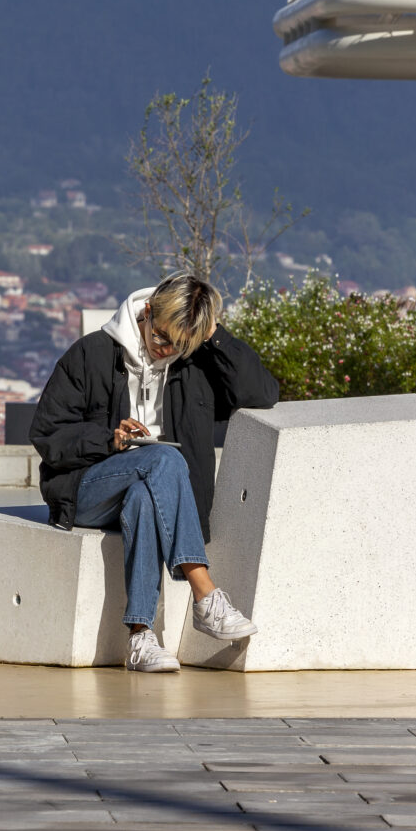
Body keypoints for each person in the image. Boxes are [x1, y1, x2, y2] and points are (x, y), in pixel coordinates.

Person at [29, 274, 281, 672]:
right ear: (147, 312)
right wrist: (108, 440)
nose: (166, 350)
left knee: (145, 496)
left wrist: (210, 332)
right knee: (163, 459)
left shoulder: (194, 364)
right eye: (162, 336)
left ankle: (140, 639)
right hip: (87, 490)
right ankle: (205, 594)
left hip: (154, 495)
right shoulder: (92, 354)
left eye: (179, 344)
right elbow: (46, 433)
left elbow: (261, 394)